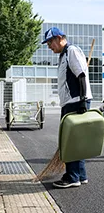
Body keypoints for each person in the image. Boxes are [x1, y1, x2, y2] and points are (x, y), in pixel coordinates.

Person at [42, 27, 93, 188]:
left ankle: (72, 177)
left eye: (50, 42)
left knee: (69, 142)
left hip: (76, 102)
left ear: (59, 38)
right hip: (71, 102)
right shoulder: (64, 54)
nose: (49, 46)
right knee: (76, 142)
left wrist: (83, 100)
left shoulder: (71, 51)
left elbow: (81, 75)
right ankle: (80, 175)